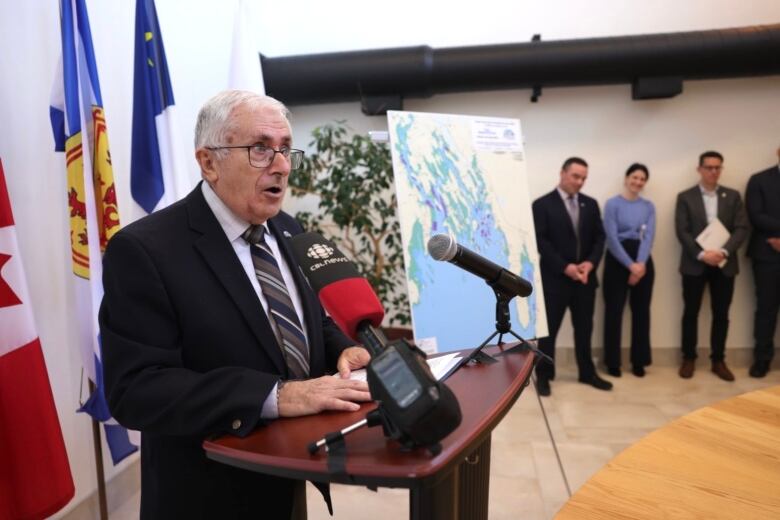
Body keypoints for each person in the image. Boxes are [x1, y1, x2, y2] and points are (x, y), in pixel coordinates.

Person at [99, 90, 372, 519]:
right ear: (209, 162)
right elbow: (137, 389)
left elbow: (309, 321)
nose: (281, 165)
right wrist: (275, 396)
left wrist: (342, 349)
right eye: (261, 149)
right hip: (206, 496)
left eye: (285, 149)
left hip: (288, 474)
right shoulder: (143, 251)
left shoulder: (286, 227)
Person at [532, 157, 612, 396]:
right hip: (555, 280)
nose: (580, 182)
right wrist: (565, 267)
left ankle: (587, 373)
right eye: (576, 176)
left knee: (584, 329)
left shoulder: (591, 204)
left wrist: (590, 263)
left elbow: (600, 238)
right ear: (562, 173)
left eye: (584, 178)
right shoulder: (542, 204)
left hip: (585, 280)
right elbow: (541, 242)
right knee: (549, 333)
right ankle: (544, 375)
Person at [674, 150, 748, 381]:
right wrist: (701, 254)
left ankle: (718, 360)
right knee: (691, 313)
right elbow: (682, 231)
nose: (714, 171)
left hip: (724, 263)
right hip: (695, 264)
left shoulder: (733, 196)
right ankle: (689, 358)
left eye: (718, 167)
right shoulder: (685, 197)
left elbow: (741, 228)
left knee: (721, 313)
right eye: (709, 167)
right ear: (699, 169)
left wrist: (723, 251)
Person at [602, 163, 656, 377]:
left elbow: (649, 236)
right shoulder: (612, 204)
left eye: (642, 179)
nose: (638, 182)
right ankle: (612, 362)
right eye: (635, 177)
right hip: (618, 259)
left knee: (642, 312)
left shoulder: (649, 206)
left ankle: (639, 361)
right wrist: (630, 265)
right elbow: (612, 238)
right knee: (614, 312)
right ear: (626, 179)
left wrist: (640, 264)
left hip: (642, 260)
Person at [745, 145, 780, 378]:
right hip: (767, 254)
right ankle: (762, 359)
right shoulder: (758, 180)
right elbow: (756, 215)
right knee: (766, 309)